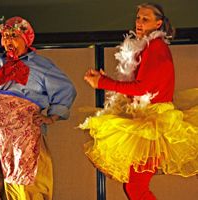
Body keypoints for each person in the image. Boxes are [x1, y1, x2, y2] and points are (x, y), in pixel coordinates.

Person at [80, 3, 198, 200]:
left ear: (158, 23)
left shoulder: (156, 47)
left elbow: (142, 87)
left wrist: (104, 82)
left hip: (154, 126)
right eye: (138, 18)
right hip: (148, 121)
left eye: (145, 19)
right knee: (134, 187)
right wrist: (106, 81)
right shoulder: (148, 48)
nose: (139, 23)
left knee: (136, 188)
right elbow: (141, 91)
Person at [0, 16, 76, 200]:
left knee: (23, 183)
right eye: (5, 35)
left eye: (13, 35)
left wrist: (52, 117)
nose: (7, 40)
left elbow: (65, 89)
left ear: (26, 38)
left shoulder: (41, 65)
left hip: (20, 131)